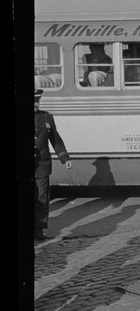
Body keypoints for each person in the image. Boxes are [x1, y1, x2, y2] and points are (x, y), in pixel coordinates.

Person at [34, 89, 72, 241]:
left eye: (37, 101)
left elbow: (55, 139)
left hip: (42, 165)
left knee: (42, 197)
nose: (36, 104)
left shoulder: (46, 117)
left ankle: (39, 229)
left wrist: (65, 157)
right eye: (33, 101)